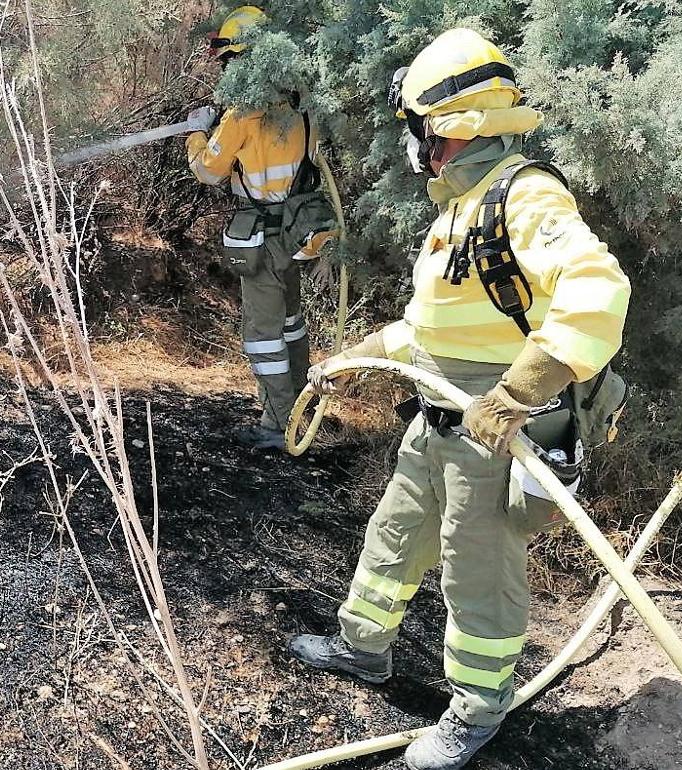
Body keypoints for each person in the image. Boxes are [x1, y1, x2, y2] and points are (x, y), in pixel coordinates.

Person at [287, 28, 631, 770]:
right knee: (395, 536)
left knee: (475, 570)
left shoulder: (524, 194)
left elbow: (599, 293)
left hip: (492, 432)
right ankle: (362, 648)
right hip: (438, 421)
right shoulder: (462, 206)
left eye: (414, 128)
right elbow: (431, 331)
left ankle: (477, 710)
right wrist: (357, 358)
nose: (411, 145)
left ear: (442, 129)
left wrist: (517, 395)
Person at [185, 6, 334, 451]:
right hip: (296, 233)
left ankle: (277, 423)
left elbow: (209, 170)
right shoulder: (300, 103)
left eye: (230, 60)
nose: (227, 70)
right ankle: (302, 407)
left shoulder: (242, 116)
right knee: (292, 324)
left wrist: (197, 133)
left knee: (265, 335)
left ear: (244, 60)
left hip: (263, 241)